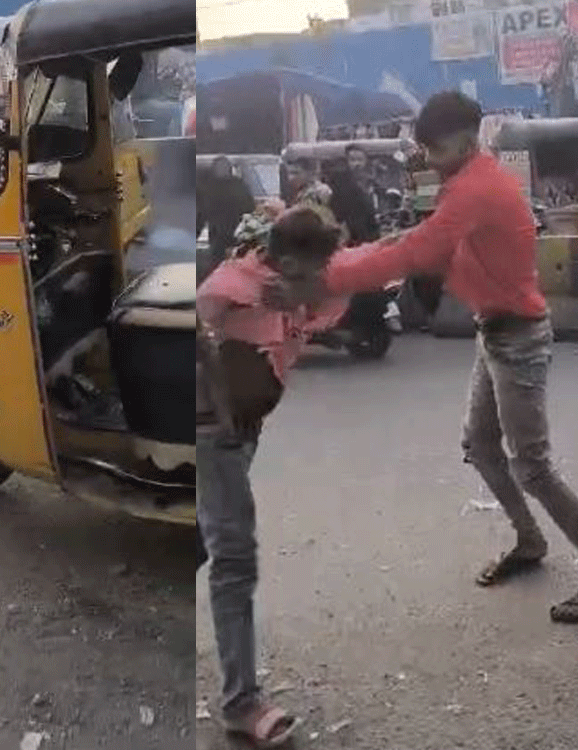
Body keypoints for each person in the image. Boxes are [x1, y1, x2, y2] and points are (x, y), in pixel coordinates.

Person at [274, 92, 578, 623]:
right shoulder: (468, 181)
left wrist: (323, 280)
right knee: (480, 445)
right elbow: (414, 240)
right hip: (496, 331)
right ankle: (530, 542)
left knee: (533, 466)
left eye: (430, 148)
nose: (425, 158)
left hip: (517, 337)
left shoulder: (476, 188)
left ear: (460, 141)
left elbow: (418, 254)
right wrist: (338, 262)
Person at [197, 206, 349, 748]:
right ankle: (240, 703)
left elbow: (340, 291)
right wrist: (214, 393)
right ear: (284, 262)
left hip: (244, 429)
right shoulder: (234, 283)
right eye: (311, 272)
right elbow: (191, 320)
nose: (321, 282)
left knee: (214, 536)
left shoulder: (303, 286)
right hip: (213, 430)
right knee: (234, 559)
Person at [197, 156, 255, 279]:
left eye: (223, 168)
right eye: (219, 168)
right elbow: (202, 213)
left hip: (235, 232)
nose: (221, 171)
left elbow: (249, 208)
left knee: (232, 266)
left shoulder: (237, 186)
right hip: (220, 234)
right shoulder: (210, 187)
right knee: (219, 265)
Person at [325, 146, 380, 246]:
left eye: (360, 160)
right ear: (347, 162)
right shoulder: (340, 185)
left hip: (370, 236)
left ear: (366, 162)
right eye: (352, 160)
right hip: (349, 235)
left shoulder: (373, 184)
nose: (357, 164)